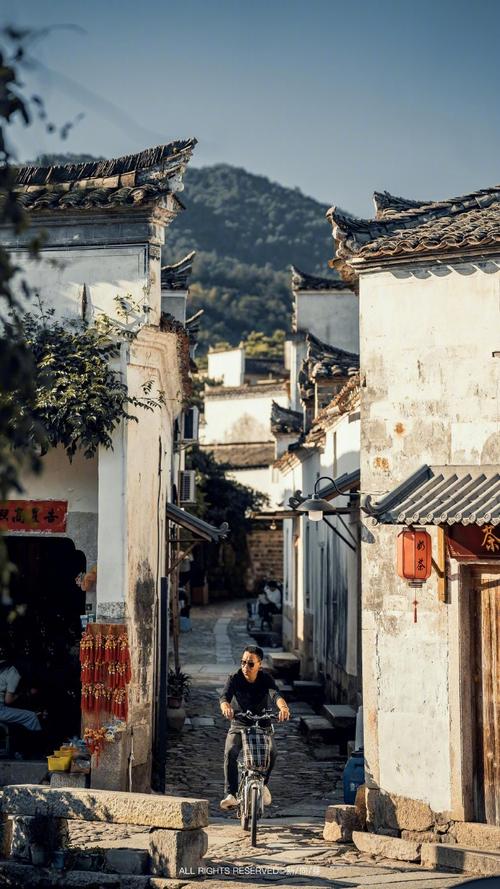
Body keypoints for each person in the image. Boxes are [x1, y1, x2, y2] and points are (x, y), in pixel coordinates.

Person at [219, 645, 290, 810]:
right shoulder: (234, 678)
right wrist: (226, 707)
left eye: (250, 664)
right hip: (240, 723)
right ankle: (231, 793)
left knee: (272, 751)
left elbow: (276, 694)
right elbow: (224, 697)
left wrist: (284, 708)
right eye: (243, 662)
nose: (245, 667)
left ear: (260, 665)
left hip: (262, 722)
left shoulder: (266, 679)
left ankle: (263, 784)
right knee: (230, 751)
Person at [0, 639, 42, 737]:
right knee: (31, 717)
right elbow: (8, 700)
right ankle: (36, 749)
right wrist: (26, 693)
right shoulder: (12, 671)